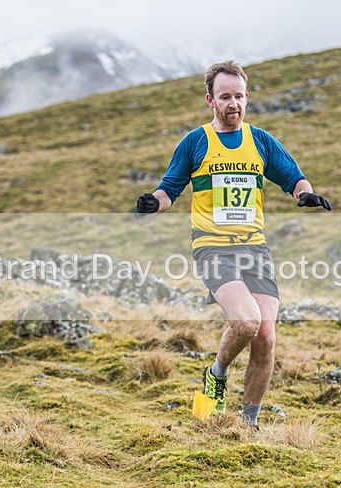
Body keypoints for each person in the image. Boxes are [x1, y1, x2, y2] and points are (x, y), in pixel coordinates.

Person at [136, 60, 331, 427]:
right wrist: (154, 201)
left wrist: (306, 195)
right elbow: (169, 190)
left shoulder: (260, 141)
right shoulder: (196, 142)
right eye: (225, 97)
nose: (234, 104)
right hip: (213, 247)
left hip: (255, 248)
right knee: (245, 322)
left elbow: (294, 179)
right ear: (210, 100)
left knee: (266, 338)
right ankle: (217, 374)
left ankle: (248, 424)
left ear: (246, 97)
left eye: (239, 96)